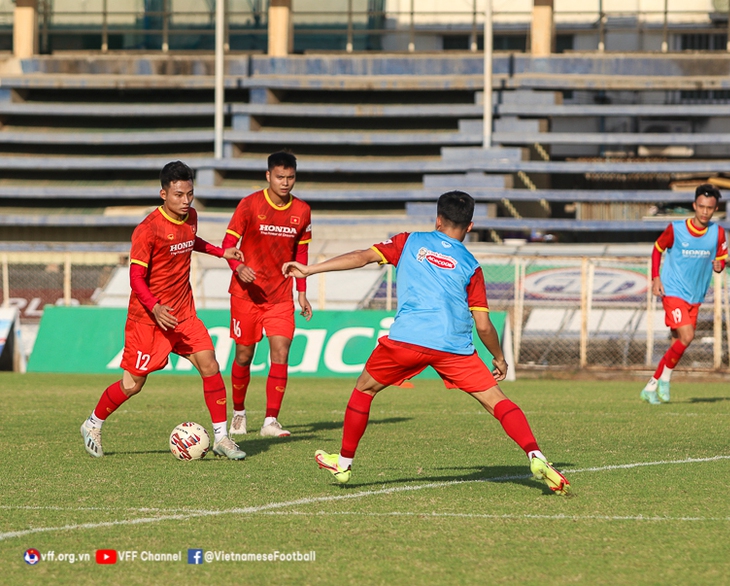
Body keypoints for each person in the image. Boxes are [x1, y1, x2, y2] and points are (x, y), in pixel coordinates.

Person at [283, 190, 570, 495]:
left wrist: (311, 269)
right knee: (497, 401)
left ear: (437, 219)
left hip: (408, 339)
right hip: (454, 346)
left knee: (364, 389)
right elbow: (483, 325)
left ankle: (343, 463)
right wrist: (498, 357)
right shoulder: (471, 265)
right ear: (469, 226)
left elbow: (363, 257)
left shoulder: (409, 241)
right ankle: (535, 455)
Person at [80, 161, 247, 460]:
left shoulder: (191, 216)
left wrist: (221, 252)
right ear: (163, 193)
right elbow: (135, 278)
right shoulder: (147, 230)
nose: (185, 201)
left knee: (210, 365)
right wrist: (155, 307)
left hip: (183, 313)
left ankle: (221, 437)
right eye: (179, 195)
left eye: (190, 194)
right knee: (132, 384)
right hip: (148, 319)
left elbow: (189, 240)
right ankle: (93, 423)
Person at [221, 151, 312, 438]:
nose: (285, 183)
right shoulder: (249, 205)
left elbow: (302, 252)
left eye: (291, 177)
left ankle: (271, 421)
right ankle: (238, 413)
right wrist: (238, 267)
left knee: (281, 353)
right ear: (268, 176)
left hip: (280, 297)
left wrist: (302, 293)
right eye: (280, 177)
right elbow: (227, 243)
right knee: (245, 356)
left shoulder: (302, 211)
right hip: (246, 295)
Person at [641, 183, 728, 404]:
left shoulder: (717, 233)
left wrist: (720, 265)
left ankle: (651, 386)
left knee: (676, 343)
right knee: (687, 336)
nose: (705, 212)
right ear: (694, 206)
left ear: (715, 208)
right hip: (673, 290)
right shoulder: (676, 229)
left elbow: (721, 258)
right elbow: (657, 248)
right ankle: (666, 380)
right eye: (701, 207)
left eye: (710, 208)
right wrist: (655, 277)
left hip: (695, 295)